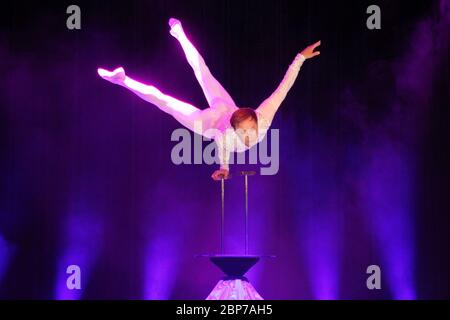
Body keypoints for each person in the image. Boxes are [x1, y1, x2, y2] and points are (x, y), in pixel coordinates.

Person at [97, 18, 320, 180]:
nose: (249, 136)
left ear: (255, 120)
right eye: (243, 131)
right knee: (202, 71)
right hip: (223, 110)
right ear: (234, 126)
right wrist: (300, 58)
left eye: (249, 130)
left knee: (164, 102)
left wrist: (300, 57)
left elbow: (282, 89)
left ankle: (123, 80)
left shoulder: (263, 118)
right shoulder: (230, 131)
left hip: (206, 124)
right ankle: (179, 33)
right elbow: (284, 87)